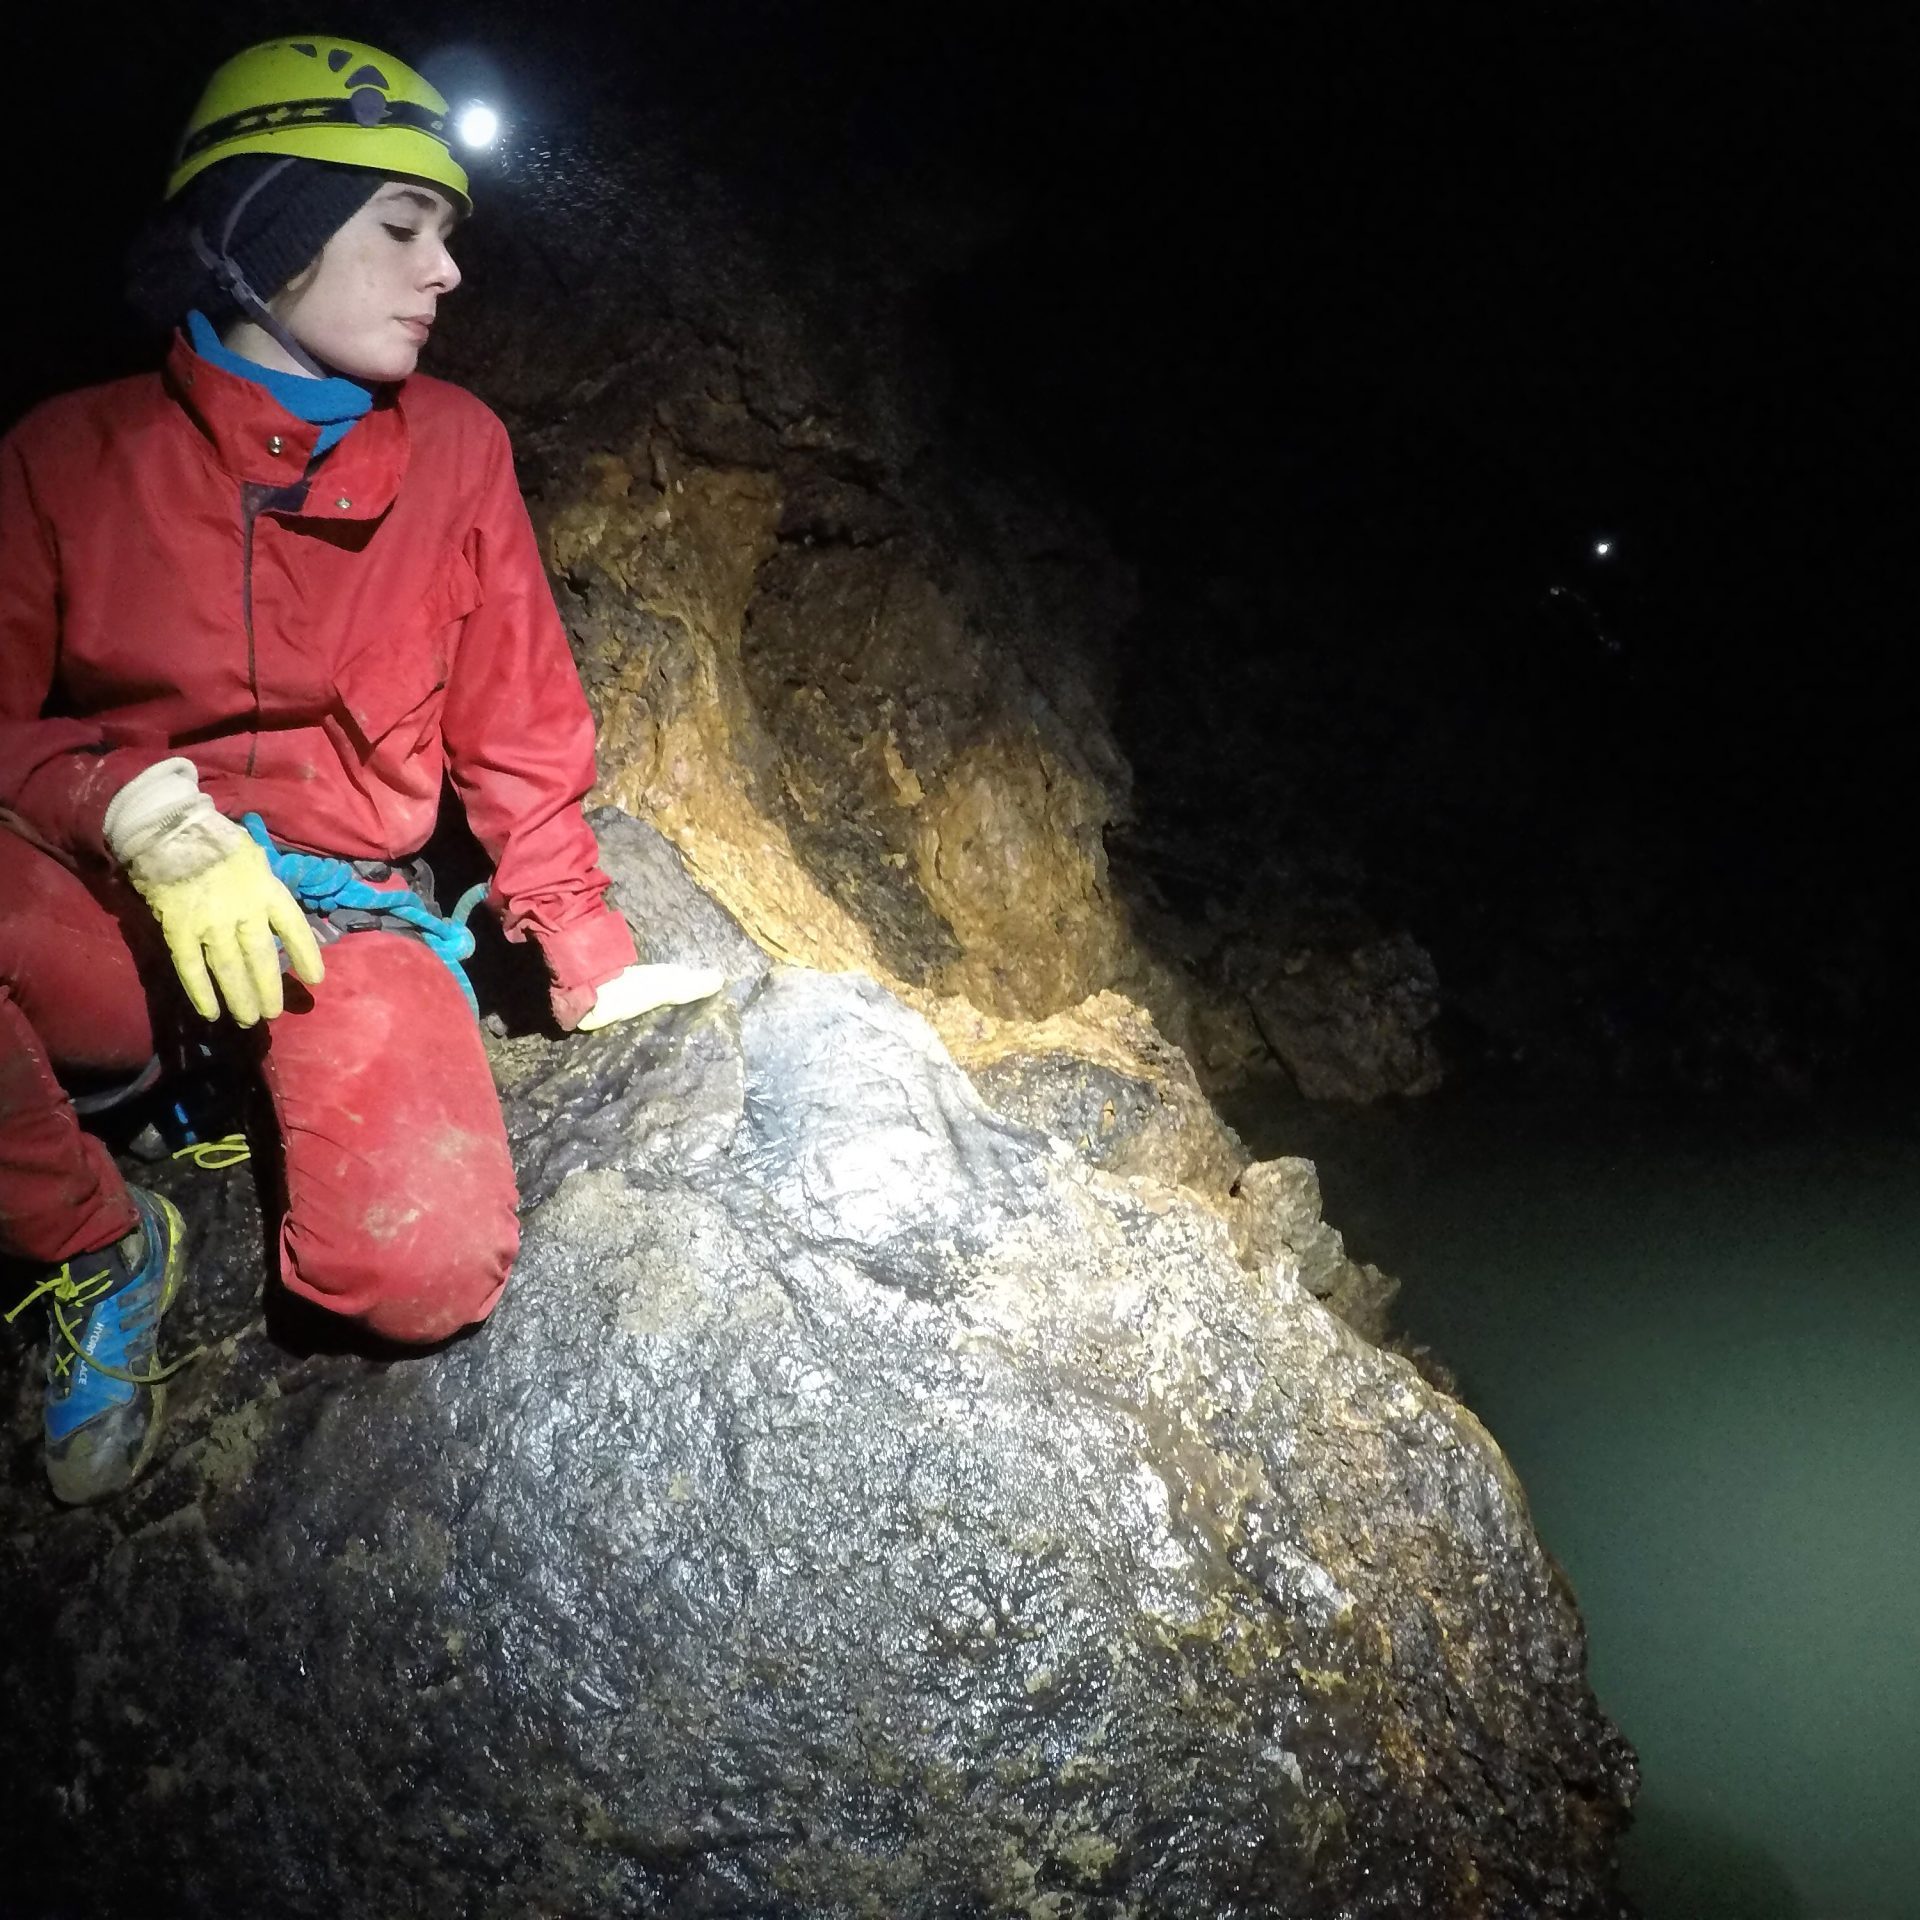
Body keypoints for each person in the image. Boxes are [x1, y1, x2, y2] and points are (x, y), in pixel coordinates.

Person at [0, 36, 719, 1506]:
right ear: (263, 234)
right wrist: (130, 809)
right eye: (402, 229)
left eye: (446, 233)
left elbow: (516, 722)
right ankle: (96, 1237)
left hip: (342, 915)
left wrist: (580, 944)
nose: (445, 271)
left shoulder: (454, 452)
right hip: (124, 913)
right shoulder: (65, 457)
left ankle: (225, 1097)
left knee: (419, 1271)